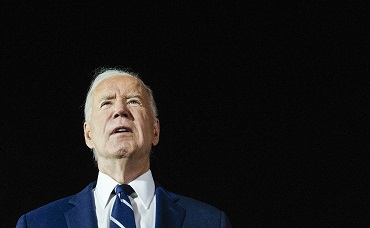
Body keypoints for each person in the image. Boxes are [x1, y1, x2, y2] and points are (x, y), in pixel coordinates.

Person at [16, 67, 233, 227]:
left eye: (133, 101)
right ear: (88, 134)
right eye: (106, 103)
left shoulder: (211, 222)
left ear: (155, 130)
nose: (120, 110)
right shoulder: (36, 223)